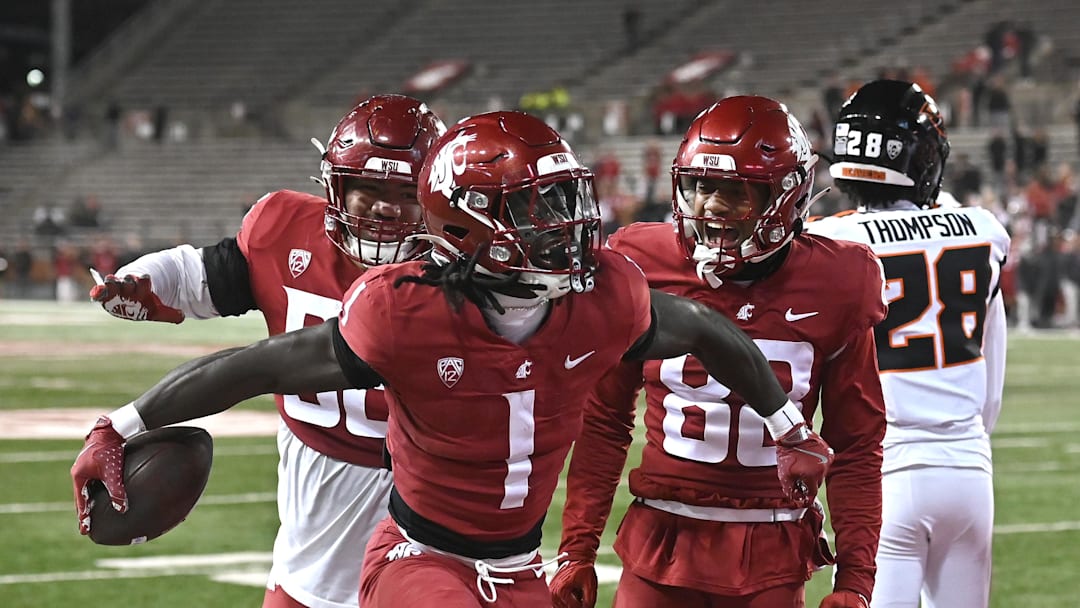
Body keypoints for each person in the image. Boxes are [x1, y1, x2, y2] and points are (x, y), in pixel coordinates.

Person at [71, 111, 835, 608]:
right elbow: (259, 365)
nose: (566, 225)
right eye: (539, 209)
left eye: (564, 202)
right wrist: (123, 423)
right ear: (466, 228)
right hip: (418, 555)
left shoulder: (601, 299)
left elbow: (706, 330)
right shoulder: (404, 310)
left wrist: (789, 426)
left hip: (515, 566)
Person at [83, 94, 446, 608]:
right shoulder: (286, 230)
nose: (385, 208)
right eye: (367, 188)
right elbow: (199, 273)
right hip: (309, 530)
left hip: (427, 521)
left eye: (405, 193)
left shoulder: (466, 271)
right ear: (335, 186)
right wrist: (142, 279)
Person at [550, 96, 888, 608]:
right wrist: (576, 549)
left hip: (770, 547)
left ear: (786, 196)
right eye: (702, 185)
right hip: (660, 538)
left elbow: (857, 445)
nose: (710, 205)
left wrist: (856, 581)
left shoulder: (838, 282)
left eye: (736, 192)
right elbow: (603, 421)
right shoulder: (640, 262)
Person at [807, 80, 1009, 608]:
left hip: (884, 474)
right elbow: (992, 387)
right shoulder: (982, 231)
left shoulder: (827, 243)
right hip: (967, 469)